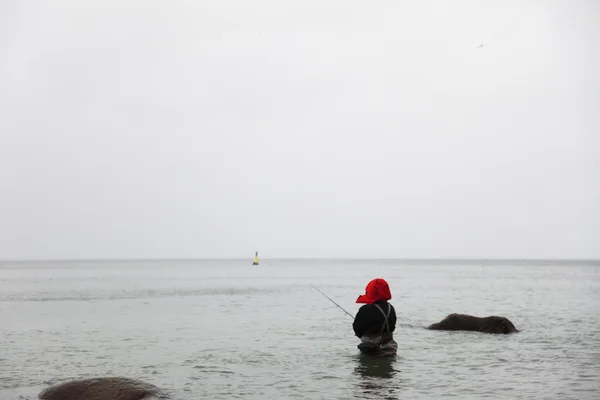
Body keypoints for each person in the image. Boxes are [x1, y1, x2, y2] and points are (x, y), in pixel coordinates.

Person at [352, 278, 398, 356]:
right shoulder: (391, 308)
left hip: (370, 349)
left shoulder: (365, 309)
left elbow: (357, 328)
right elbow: (392, 327)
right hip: (389, 347)